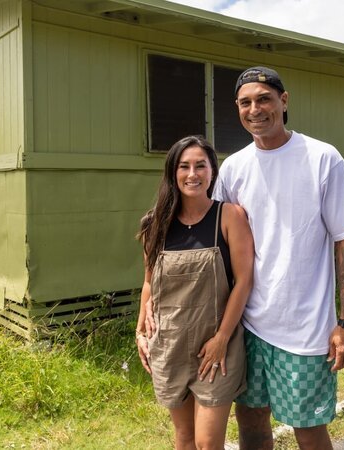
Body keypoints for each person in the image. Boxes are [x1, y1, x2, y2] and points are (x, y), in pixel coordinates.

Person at [215, 67, 344, 450]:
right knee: (250, 422)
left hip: (305, 329)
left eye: (264, 99)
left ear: (283, 102)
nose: (255, 109)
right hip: (248, 325)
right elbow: (218, 242)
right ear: (237, 108)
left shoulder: (321, 158)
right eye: (245, 102)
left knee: (308, 430)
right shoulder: (234, 167)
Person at [136, 135, 255, 450]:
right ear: (173, 173)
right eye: (184, 166)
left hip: (215, 349)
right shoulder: (156, 224)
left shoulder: (228, 216)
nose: (193, 174)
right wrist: (140, 330)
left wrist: (222, 338)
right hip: (170, 343)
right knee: (184, 438)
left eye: (200, 165)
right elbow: (149, 282)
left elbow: (244, 281)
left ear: (212, 171)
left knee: (206, 443)